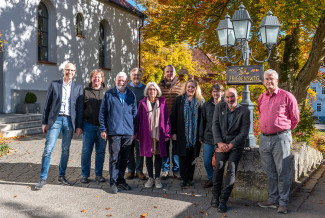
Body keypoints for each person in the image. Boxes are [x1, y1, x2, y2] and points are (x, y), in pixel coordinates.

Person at [257, 69, 300, 214]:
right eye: (266, 79)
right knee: (270, 172)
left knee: (283, 172)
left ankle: (283, 202)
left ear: (277, 80)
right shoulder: (261, 98)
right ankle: (272, 199)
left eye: (271, 79)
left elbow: (295, 119)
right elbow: (261, 114)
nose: (269, 81)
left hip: (281, 138)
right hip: (264, 138)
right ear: (264, 81)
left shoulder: (287, 96)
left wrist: (284, 132)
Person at [35, 62, 83, 190]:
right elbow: (47, 104)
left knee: (65, 150)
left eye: (72, 70)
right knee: (48, 149)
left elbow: (79, 108)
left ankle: (61, 176)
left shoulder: (78, 87)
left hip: (69, 121)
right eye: (67, 70)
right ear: (63, 71)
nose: (70, 72)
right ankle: (42, 178)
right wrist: (44, 122)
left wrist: (79, 126)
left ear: (74, 72)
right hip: (55, 120)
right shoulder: (55, 84)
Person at [211, 87, 250, 213]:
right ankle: (215, 196)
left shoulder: (244, 111)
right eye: (227, 97)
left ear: (237, 96)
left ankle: (223, 200)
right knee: (219, 166)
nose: (229, 99)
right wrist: (220, 143)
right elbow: (215, 125)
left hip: (236, 146)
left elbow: (244, 133)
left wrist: (231, 145)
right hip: (221, 144)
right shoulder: (219, 107)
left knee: (231, 169)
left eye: (232, 96)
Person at [99, 72, 137, 194]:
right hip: (114, 131)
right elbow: (102, 113)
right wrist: (103, 129)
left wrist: (134, 130)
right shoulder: (109, 94)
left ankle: (121, 180)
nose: (121, 82)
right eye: (119, 80)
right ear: (115, 80)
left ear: (127, 81)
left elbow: (135, 114)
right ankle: (113, 182)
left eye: (123, 80)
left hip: (128, 132)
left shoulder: (131, 95)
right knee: (114, 158)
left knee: (125, 158)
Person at [136, 82, 171, 189]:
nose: (152, 91)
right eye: (150, 89)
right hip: (146, 134)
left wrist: (167, 133)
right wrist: (137, 134)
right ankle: (150, 178)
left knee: (158, 156)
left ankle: (157, 178)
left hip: (159, 134)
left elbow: (167, 119)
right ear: (147, 91)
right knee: (148, 156)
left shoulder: (163, 102)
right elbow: (138, 119)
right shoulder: (142, 103)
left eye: (154, 89)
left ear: (157, 91)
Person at [171, 79, 204, 187]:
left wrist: (201, 135)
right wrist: (173, 132)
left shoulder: (200, 101)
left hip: (194, 135)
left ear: (196, 89)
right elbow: (174, 117)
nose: (190, 89)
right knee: (182, 157)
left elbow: (203, 120)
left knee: (192, 157)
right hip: (181, 134)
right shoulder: (179, 99)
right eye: (188, 87)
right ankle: (183, 178)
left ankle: (190, 178)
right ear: (185, 88)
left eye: (192, 87)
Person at [80, 69, 108, 184]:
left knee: (100, 152)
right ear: (91, 78)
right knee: (86, 151)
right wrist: (79, 126)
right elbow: (80, 109)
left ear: (102, 79)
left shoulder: (107, 92)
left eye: (99, 77)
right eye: (94, 77)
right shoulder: (85, 91)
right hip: (88, 126)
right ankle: (84, 175)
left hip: (102, 128)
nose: (97, 79)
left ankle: (99, 174)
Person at [158, 65, 184, 180]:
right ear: (164, 73)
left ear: (175, 73)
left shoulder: (182, 86)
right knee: (164, 146)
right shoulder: (158, 87)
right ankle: (165, 169)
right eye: (167, 72)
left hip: (177, 120)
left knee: (176, 146)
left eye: (171, 71)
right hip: (163, 121)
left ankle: (176, 170)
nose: (169, 73)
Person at [199, 83, 225, 188]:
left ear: (222, 92)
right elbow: (202, 121)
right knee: (206, 161)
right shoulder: (206, 105)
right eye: (214, 91)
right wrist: (201, 136)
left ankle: (217, 181)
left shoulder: (225, 104)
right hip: (208, 137)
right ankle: (212, 179)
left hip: (222, 139)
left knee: (219, 163)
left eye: (218, 91)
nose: (216, 93)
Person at [126, 68, 147, 180]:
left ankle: (139, 170)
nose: (136, 77)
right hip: (128, 123)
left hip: (141, 123)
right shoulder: (126, 88)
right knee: (129, 147)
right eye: (134, 75)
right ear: (131, 76)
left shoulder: (145, 89)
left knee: (139, 148)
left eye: (139, 75)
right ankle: (130, 170)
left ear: (142, 76)